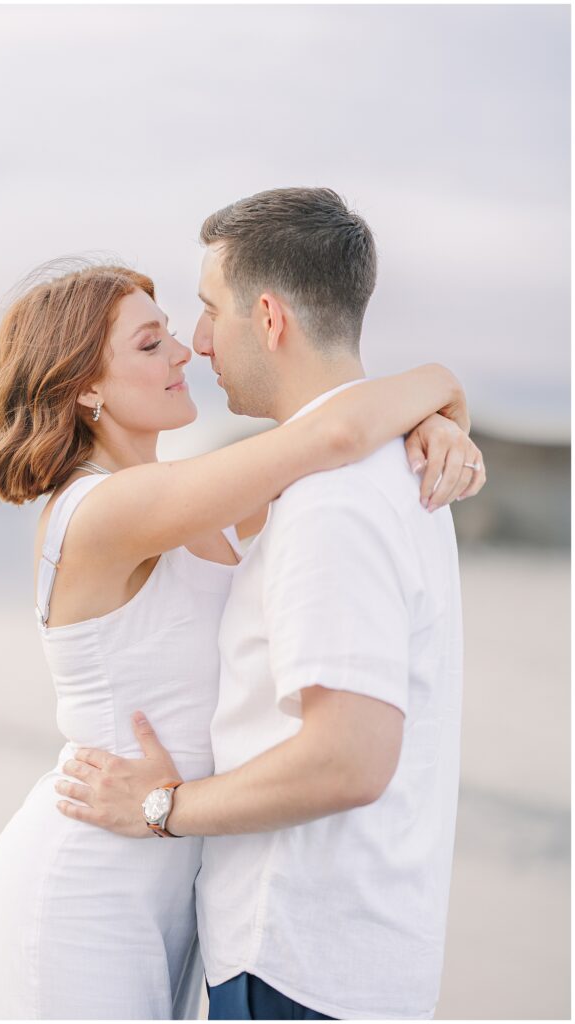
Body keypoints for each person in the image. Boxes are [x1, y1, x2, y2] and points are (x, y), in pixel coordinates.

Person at [56, 188, 485, 1021]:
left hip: (297, 955)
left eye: (208, 312)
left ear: (269, 316)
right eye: (161, 337)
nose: (198, 344)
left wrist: (160, 809)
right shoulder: (363, 474)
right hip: (326, 948)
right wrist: (437, 401)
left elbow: (348, 761)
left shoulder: (332, 503)